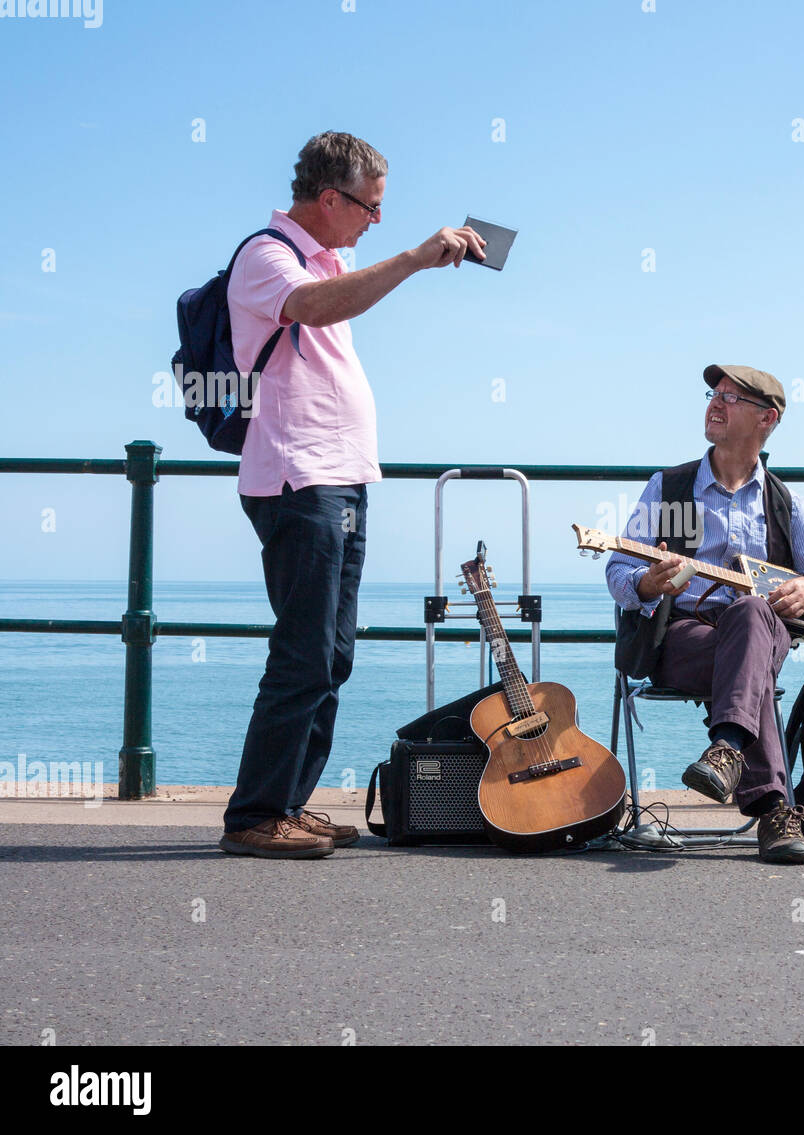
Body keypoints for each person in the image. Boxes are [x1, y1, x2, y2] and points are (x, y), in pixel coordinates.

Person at [219, 131, 486, 859]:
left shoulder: (327, 256)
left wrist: (423, 255)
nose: (375, 223)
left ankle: (285, 803)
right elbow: (314, 307)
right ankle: (251, 815)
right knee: (303, 651)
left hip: (340, 478)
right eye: (369, 208)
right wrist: (412, 259)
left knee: (332, 656)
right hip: (297, 478)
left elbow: (339, 290)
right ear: (329, 198)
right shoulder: (267, 257)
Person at [605, 365, 804, 864]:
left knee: (753, 612)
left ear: (767, 418)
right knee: (750, 656)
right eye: (713, 394)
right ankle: (772, 807)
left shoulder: (784, 502)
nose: (715, 403)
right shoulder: (670, 488)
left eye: (731, 398)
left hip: (756, 630)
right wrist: (648, 583)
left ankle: (727, 750)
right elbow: (618, 570)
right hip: (681, 638)